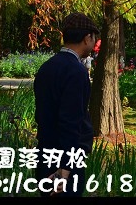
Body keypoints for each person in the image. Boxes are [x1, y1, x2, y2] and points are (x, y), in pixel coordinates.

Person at [34, 12, 99, 197]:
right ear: (87, 37)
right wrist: (65, 169)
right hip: (64, 161)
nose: (94, 43)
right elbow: (71, 122)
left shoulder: (47, 67)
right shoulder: (76, 72)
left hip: (45, 152)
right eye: (94, 38)